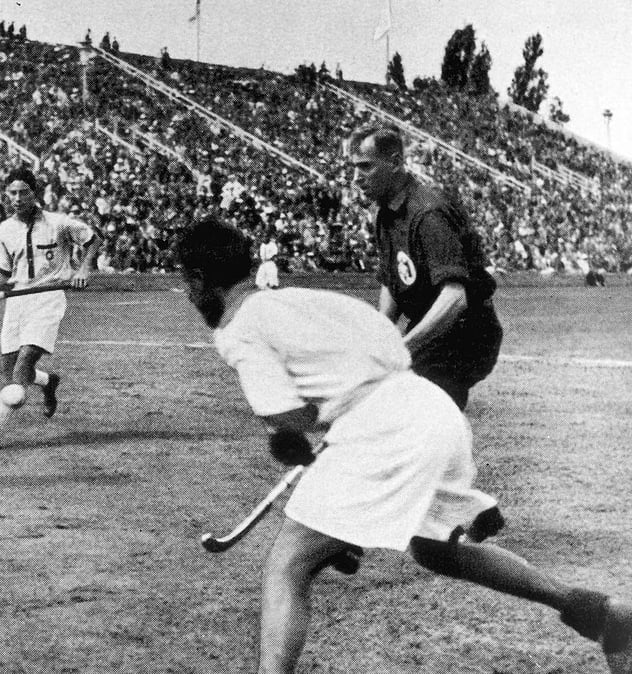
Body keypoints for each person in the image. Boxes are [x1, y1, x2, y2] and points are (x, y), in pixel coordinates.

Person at [176, 217, 632, 674]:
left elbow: (291, 417)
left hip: (385, 431)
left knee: (289, 564)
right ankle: (600, 613)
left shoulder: (236, 329)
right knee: (434, 550)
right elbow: (391, 346)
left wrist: (288, 437)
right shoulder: (310, 300)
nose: (192, 296)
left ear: (197, 280)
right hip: (430, 408)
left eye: (188, 283)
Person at [348, 123, 502, 410]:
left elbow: (455, 298)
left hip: (467, 333)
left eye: (366, 166)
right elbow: (392, 281)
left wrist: (402, 349)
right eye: (354, 167)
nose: (357, 178)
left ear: (395, 162)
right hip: (435, 328)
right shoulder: (384, 214)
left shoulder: (427, 213)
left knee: (413, 412)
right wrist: (382, 336)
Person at [0, 167, 99, 451]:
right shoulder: (5, 229)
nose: (17, 198)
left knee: (25, 361)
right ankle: (49, 381)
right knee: (11, 373)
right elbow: (2, 274)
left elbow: (92, 239)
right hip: (17, 300)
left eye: (23, 192)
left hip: (48, 298)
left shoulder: (59, 223)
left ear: (34, 193)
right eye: (12, 193)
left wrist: (83, 269)